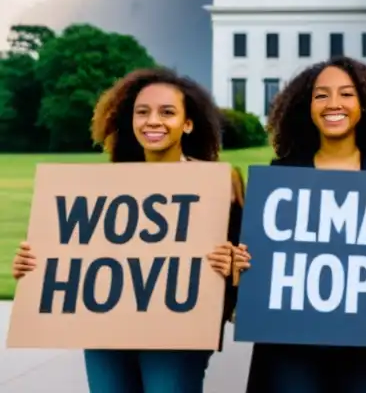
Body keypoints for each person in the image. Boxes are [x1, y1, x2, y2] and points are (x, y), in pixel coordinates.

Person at [11, 68, 244, 393]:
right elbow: (75, 257)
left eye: (167, 112)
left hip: (177, 333)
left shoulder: (219, 183)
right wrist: (33, 266)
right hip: (107, 331)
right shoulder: (105, 187)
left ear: (188, 123)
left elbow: (244, 267)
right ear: (130, 120)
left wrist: (232, 268)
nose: (153, 121)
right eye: (142, 112)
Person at [236, 56, 366, 393]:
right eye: (321, 95)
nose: (333, 104)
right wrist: (241, 264)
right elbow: (258, 264)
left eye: (347, 94)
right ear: (306, 107)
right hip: (292, 352)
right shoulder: (280, 179)